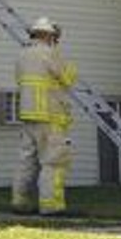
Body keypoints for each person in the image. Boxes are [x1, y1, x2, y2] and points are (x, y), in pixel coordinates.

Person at [11, 16, 78, 216]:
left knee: (26, 162)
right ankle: (51, 206)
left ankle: (19, 202)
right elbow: (67, 78)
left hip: (28, 116)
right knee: (53, 162)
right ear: (50, 36)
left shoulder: (21, 56)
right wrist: (67, 63)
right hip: (51, 117)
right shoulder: (50, 54)